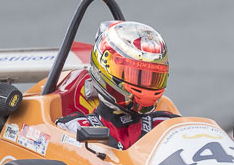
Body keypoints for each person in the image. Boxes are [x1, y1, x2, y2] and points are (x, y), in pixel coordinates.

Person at [55, 21, 178, 150]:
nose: (146, 85)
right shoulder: (73, 129)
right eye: (134, 74)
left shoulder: (168, 126)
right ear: (105, 68)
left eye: (153, 78)